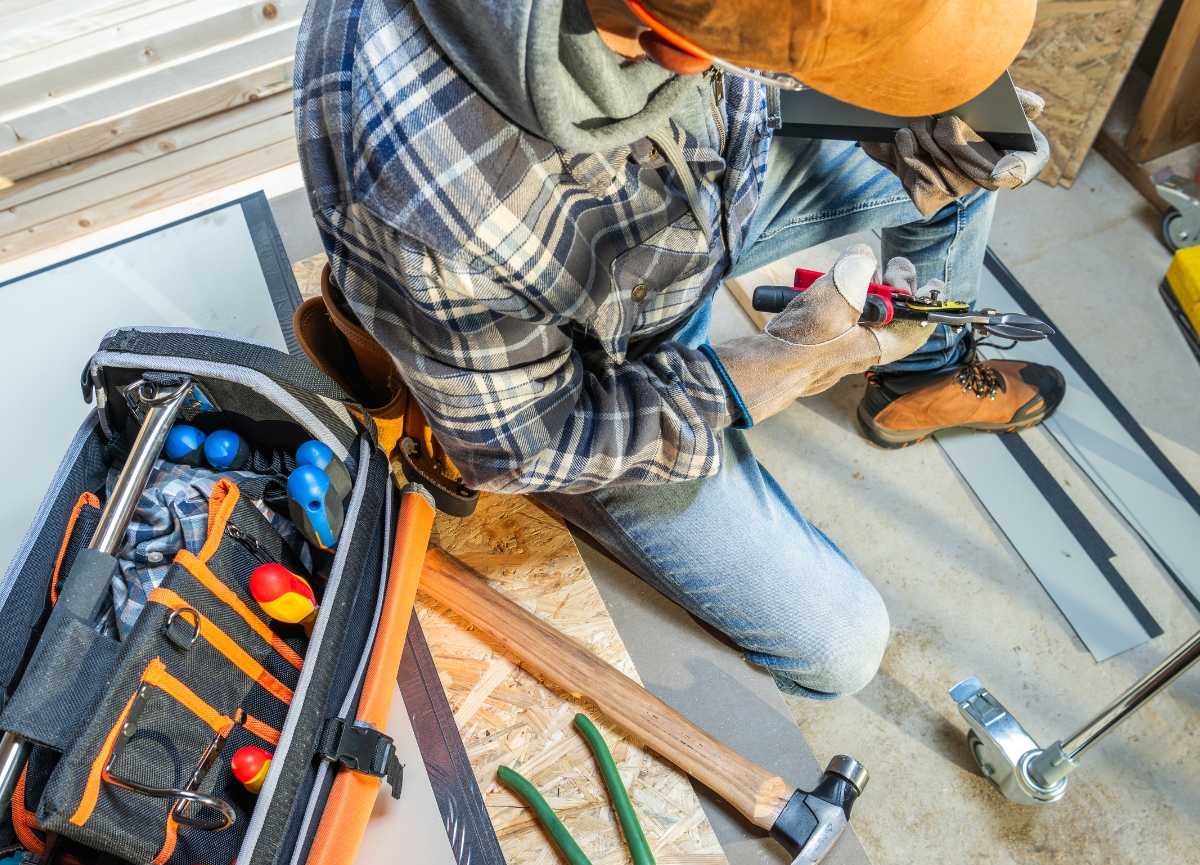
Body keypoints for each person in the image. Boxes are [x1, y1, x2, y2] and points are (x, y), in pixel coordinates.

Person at [294, 0, 1064, 698]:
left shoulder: (676, 27)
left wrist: (885, 103)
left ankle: (916, 376)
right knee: (841, 647)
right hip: (589, 368)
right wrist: (767, 370)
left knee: (963, 173)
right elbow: (525, 443)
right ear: (675, 49)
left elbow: (747, 60)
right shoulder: (434, 205)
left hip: (685, 199)